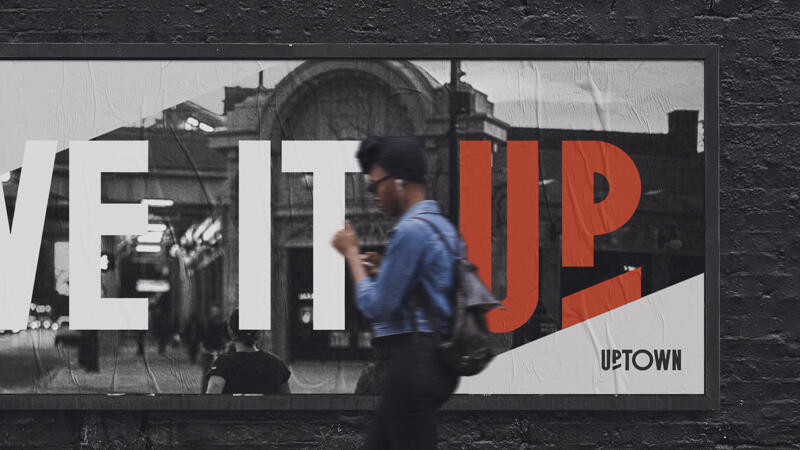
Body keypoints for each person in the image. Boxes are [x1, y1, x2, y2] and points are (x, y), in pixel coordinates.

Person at [332, 136, 461, 450]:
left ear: (400, 181)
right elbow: (430, 291)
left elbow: (376, 306)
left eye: (376, 185)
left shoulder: (410, 230)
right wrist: (384, 271)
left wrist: (351, 254)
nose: (374, 194)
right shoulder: (441, 228)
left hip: (412, 365)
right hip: (437, 362)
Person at [205, 309, 291, 394]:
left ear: (231, 332)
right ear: (258, 333)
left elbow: (212, 395)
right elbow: (288, 400)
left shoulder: (223, 365)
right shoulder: (277, 364)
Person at [198, 306, 229, 393]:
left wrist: (225, 347)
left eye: (216, 312)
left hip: (218, 351)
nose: (215, 314)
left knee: (219, 373)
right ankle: (204, 391)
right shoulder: (207, 324)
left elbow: (226, 336)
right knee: (206, 372)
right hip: (207, 351)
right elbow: (202, 336)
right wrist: (202, 347)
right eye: (214, 312)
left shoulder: (222, 324)